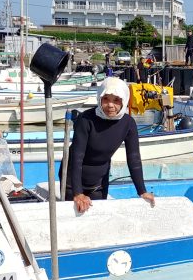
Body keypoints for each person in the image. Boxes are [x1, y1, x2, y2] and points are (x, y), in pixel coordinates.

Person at [66, 77, 156, 212]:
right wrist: (78, 193)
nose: (110, 105)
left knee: (99, 220)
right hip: (72, 181)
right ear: (99, 99)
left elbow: (134, 158)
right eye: (106, 99)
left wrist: (142, 191)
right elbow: (76, 158)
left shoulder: (128, 123)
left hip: (99, 182)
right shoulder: (85, 120)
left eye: (116, 100)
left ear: (124, 101)